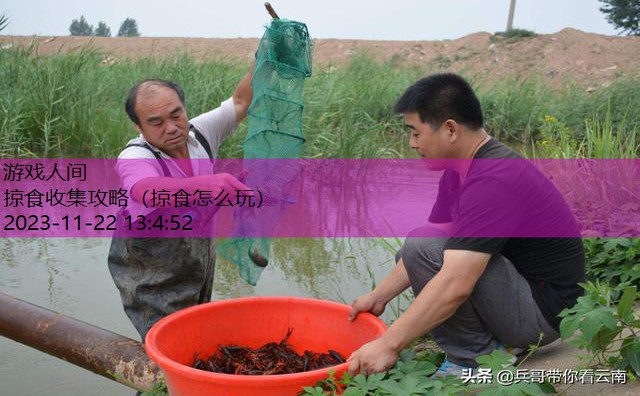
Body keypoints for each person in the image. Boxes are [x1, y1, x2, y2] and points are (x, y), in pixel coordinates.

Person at [347, 73, 585, 378]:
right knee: (416, 249)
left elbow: (455, 283)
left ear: (449, 129)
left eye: (416, 133)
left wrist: (388, 345)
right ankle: (489, 343)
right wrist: (377, 297)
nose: (411, 143)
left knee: (423, 249)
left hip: (545, 313)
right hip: (517, 292)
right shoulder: (458, 171)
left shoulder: (495, 178)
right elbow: (427, 247)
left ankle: (473, 360)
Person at [108, 64, 254, 339]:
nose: (172, 128)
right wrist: (208, 185)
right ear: (139, 126)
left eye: (176, 115)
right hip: (152, 282)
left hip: (197, 265)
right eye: (156, 122)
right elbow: (146, 190)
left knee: (197, 334)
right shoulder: (136, 156)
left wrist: (265, 54)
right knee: (166, 347)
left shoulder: (200, 135)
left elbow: (241, 100)